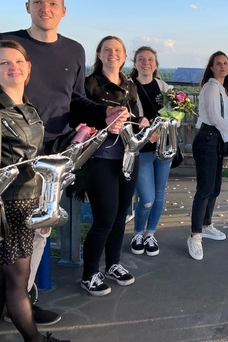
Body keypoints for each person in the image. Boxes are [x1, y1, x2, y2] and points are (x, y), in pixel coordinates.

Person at [0, 0, 123, 324]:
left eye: (52, 4)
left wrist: (105, 112)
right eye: (37, 2)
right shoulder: (7, 44)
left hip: (55, 155)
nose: (44, 9)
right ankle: (4, 302)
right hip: (10, 154)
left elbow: (76, 100)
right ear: (27, 6)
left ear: (63, 11)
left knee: (40, 230)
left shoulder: (74, 50)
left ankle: (19, 301)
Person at [0, 40, 69, 342]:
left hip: (27, 202)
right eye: (4, 62)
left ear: (28, 67)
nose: (13, 67)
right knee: (17, 287)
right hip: (7, 207)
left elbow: (33, 154)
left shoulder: (27, 107)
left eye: (18, 61)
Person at [80, 36, 148, 296]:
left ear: (124, 56)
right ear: (99, 54)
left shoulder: (130, 85)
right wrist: (105, 123)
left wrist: (142, 122)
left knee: (120, 215)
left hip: (129, 157)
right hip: (100, 158)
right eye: (107, 49)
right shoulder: (89, 84)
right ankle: (89, 274)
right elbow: (79, 117)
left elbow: (136, 116)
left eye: (117, 50)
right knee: (104, 218)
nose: (112, 54)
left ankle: (112, 264)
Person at [188, 52, 228, 260]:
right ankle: (195, 235)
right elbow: (214, 117)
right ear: (212, 67)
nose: (223, 66)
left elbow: (223, 117)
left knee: (214, 187)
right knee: (205, 189)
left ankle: (206, 224)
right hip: (207, 139)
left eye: (226, 63)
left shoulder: (222, 88)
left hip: (215, 140)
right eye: (219, 63)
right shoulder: (212, 87)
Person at [129, 46, 172, 257]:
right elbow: (126, 117)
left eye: (150, 60)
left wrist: (160, 130)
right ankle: (138, 232)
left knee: (159, 194)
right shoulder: (128, 88)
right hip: (141, 149)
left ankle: (150, 233)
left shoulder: (165, 88)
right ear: (134, 63)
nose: (146, 63)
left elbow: (174, 117)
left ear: (155, 64)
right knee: (147, 198)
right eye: (141, 59)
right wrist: (144, 131)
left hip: (163, 148)